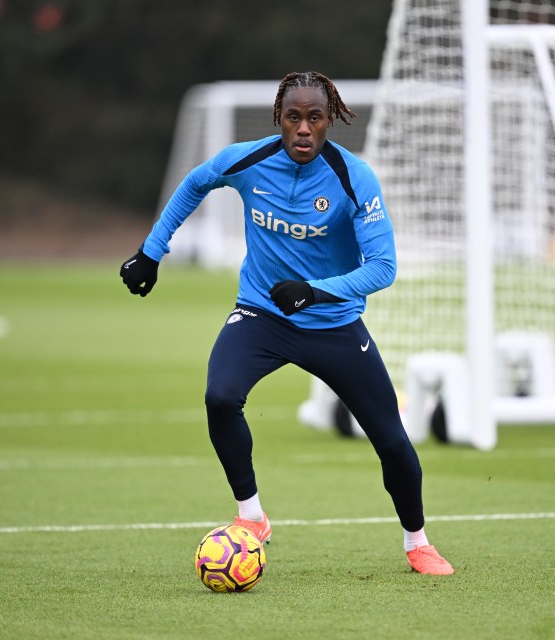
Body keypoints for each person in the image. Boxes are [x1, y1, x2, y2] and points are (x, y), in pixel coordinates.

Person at [120, 71, 453, 576]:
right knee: (220, 397)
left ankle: (417, 542)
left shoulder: (353, 176)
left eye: (314, 118)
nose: (303, 129)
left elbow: (383, 267)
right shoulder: (250, 160)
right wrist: (151, 252)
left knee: (391, 441)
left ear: (329, 121)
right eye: (293, 117)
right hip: (262, 314)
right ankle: (251, 517)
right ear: (278, 119)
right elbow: (195, 183)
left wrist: (316, 292)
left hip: (334, 323)